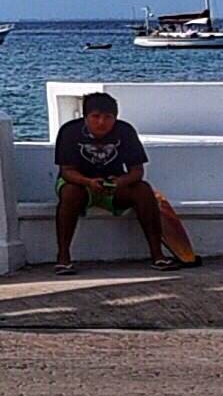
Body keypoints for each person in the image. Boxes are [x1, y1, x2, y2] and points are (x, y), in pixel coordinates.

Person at [53, 90, 199, 272]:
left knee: (143, 190)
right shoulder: (70, 132)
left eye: (108, 117)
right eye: (95, 117)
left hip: (114, 184)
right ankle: (63, 257)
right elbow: (67, 171)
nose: (101, 122)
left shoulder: (125, 131)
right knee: (69, 193)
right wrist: (88, 182)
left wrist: (120, 182)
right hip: (80, 184)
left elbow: (137, 171)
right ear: (85, 117)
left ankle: (158, 255)